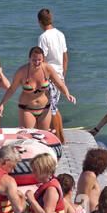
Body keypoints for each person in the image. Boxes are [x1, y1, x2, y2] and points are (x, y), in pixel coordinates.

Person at [0, 47, 75, 132]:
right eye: (34, 60)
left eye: (39, 60)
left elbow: (59, 84)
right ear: (29, 58)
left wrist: (67, 94)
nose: (37, 62)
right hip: (27, 109)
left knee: (43, 135)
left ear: (43, 59)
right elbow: (12, 89)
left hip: (45, 108)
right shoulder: (21, 71)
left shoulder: (47, 69)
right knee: (30, 135)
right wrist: (2, 104)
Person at [36, 9, 69, 142]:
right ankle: (60, 137)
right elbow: (65, 57)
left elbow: (40, 59)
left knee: (51, 108)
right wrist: (62, 78)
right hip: (59, 75)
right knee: (53, 107)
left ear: (39, 21)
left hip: (49, 76)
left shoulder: (43, 37)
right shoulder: (60, 34)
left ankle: (59, 138)